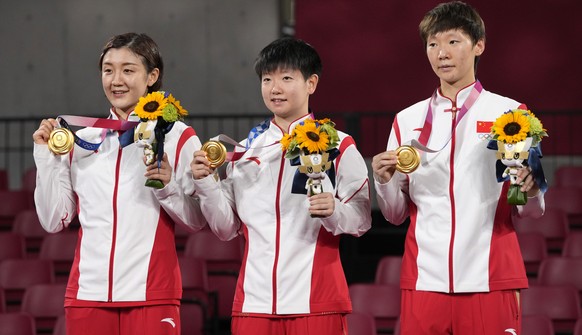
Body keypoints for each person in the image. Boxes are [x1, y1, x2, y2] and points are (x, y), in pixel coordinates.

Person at [372, 2, 546, 334]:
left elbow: (533, 211)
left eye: (453, 41)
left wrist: (532, 188)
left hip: (490, 274)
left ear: (478, 45)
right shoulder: (406, 120)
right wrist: (384, 183)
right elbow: (395, 214)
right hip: (424, 277)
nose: (441, 53)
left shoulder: (510, 114)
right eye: (433, 43)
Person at [190, 37, 372, 335]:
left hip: (317, 302)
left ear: (311, 83)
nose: (275, 88)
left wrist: (335, 210)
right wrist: (206, 182)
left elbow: (362, 220)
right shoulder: (245, 151)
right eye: (267, 79)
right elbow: (225, 228)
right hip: (254, 306)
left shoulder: (339, 145)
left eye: (286, 78)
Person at [32, 32, 206, 334]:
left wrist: (168, 188)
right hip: (87, 295)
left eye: (128, 69)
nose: (116, 79)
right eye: (108, 69)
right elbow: (53, 220)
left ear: (152, 76)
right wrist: (46, 159)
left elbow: (197, 220)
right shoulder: (84, 141)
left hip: (152, 294)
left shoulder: (178, 136)